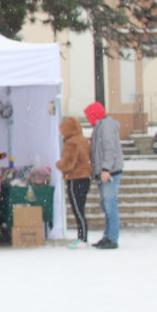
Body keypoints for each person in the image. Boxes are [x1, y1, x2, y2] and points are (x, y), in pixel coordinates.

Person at [84, 102, 123, 249]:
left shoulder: (105, 126)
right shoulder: (101, 125)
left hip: (109, 172)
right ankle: (108, 236)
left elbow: (109, 148)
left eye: (89, 115)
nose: (88, 119)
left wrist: (105, 168)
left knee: (110, 205)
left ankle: (112, 237)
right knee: (107, 205)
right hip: (106, 171)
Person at [56, 116, 92, 249]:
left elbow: (68, 163)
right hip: (85, 177)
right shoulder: (82, 140)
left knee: (77, 209)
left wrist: (58, 164)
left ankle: (82, 238)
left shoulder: (71, 142)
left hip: (75, 178)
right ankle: (82, 237)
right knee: (80, 208)